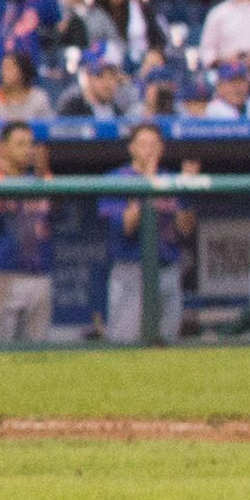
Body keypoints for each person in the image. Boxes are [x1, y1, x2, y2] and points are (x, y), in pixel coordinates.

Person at [96, 120, 198, 345]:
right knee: (126, 345)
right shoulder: (116, 179)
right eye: (143, 144)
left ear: (162, 148)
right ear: (131, 148)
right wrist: (148, 181)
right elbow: (125, 227)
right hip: (132, 270)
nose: (149, 149)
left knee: (166, 347)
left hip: (168, 270)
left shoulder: (171, 180)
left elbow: (185, 229)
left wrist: (186, 191)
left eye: (154, 144)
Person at [0, 120, 56, 345]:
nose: (28, 150)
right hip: (1, 276)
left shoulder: (42, 182)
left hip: (38, 275)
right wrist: (3, 178)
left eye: (30, 144)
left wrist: (44, 177)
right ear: (3, 148)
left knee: (37, 359)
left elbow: (56, 215)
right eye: (20, 144)